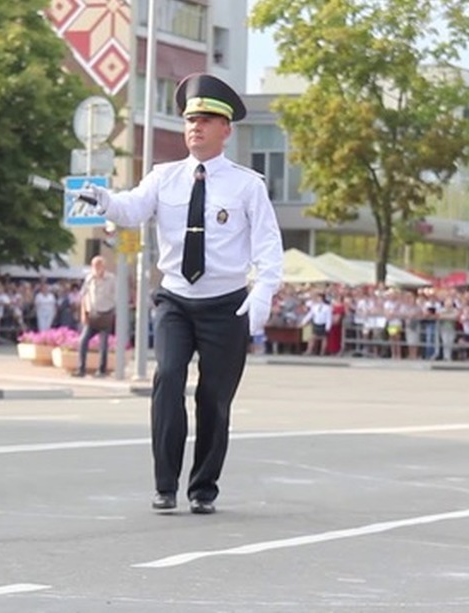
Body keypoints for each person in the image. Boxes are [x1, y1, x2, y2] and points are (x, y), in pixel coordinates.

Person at [80, 73, 284, 514]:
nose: (196, 127)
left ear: (226, 129)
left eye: (207, 120)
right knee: (168, 378)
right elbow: (132, 208)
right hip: (175, 298)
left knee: (214, 398)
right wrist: (103, 199)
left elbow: (268, 246)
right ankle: (165, 483)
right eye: (191, 119)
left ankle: (203, 487)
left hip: (227, 303)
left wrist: (263, 292)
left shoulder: (248, 185)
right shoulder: (164, 177)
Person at [74, 255, 115, 377]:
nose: (96, 268)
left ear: (104, 266)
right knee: (83, 341)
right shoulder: (89, 279)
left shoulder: (111, 279)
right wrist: (83, 312)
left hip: (105, 314)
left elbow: (117, 296)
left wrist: (113, 310)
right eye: (94, 265)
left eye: (99, 265)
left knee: (103, 344)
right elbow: (83, 295)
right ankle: (81, 369)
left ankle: (101, 370)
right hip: (92, 315)